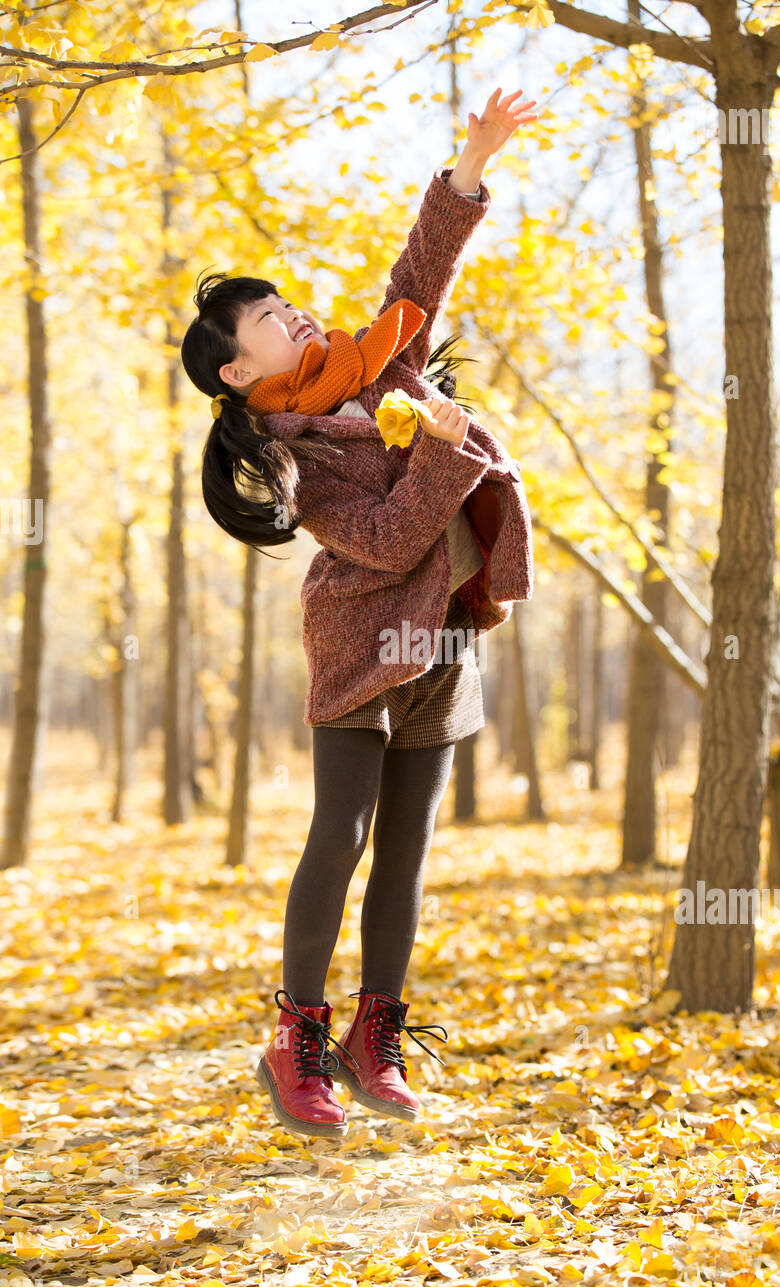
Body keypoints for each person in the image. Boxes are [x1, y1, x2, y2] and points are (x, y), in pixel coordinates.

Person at [180, 88, 537, 1139]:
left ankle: (371, 1034)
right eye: (265, 320)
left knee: (409, 847)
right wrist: (445, 440)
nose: (294, 313)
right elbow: (381, 539)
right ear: (240, 371)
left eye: (283, 301)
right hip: (357, 641)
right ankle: (294, 1038)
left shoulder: (377, 371)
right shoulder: (290, 454)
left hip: (446, 638)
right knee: (340, 831)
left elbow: (418, 276)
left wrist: (470, 159)